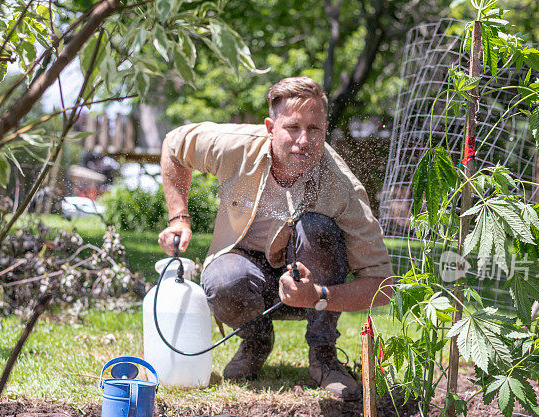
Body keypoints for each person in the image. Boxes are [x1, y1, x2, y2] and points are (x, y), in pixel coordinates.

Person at [157, 76, 393, 400]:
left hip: (310, 289)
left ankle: (324, 355)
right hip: (246, 277)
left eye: (315, 129)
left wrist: (320, 295)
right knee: (223, 279)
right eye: (293, 128)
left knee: (317, 229)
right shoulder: (233, 146)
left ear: (326, 128)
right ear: (270, 127)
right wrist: (179, 218)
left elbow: (383, 285)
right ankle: (255, 341)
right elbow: (173, 144)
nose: (304, 140)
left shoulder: (343, 189)